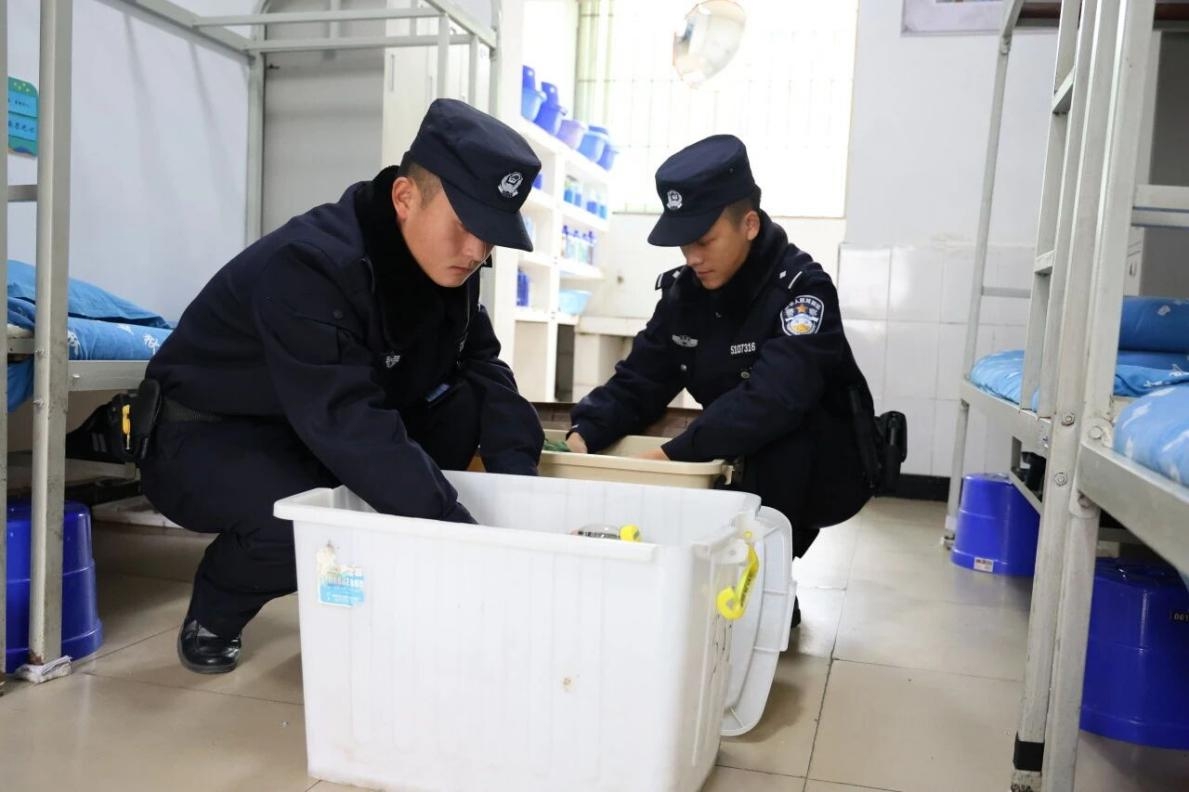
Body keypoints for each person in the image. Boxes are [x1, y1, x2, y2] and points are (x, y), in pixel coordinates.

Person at [136, 99, 545, 673]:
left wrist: (521, 490)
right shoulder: (311, 265)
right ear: (405, 197)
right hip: (205, 435)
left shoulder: (448, 266)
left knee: (464, 407)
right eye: (465, 226)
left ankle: (405, 572)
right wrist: (459, 532)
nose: (478, 251)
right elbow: (347, 420)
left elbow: (483, 366)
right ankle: (217, 606)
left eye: (491, 235)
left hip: (309, 425)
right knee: (309, 517)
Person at [567, 136, 901, 623]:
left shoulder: (801, 291)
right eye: (685, 243)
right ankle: (727, 571)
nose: (692, 257)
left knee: (775, 437)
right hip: (737, 449)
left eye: (704, 241)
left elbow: (775, 399)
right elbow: (641, 378)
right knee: (705, 458)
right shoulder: (685, 294)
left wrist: (672, 457)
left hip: (826, 465)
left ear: (749, 225)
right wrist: (585, 434)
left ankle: (766, 582)